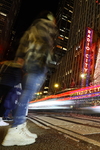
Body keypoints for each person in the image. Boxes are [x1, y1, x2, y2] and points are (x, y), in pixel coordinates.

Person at [2, 11, 58, 146]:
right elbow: (44, 46)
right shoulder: (45, 26)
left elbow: (23, 44)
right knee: (27, 95)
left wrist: (21, 60)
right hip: (37, 63)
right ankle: (15, 130)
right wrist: (48, 62)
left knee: (26, 94)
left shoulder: (35, 26)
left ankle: (20, 126)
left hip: (30, 63)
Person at [0, 60, 23, 126]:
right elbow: (18, 80)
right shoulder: (17, 68)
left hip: (1, 83)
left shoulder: (6, 66)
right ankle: (0, 119)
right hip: (10, 86)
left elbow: (1, 72)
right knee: (4, 102)